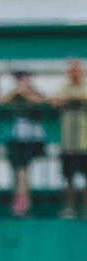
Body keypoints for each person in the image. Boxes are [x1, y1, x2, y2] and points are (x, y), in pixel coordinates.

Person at [3, 71, 47, 218]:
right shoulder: (14, 94)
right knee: (19, 169)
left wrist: (27, 93)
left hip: (33, 137)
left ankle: (23, 201)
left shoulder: (37, 93)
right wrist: (17, 91)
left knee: (24, 168)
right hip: (15, 137)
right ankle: (20, 199)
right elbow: (2, 102)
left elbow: (42, 103)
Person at [51, 58, 87, 219]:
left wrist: (77, 99)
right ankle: (69, 207)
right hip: (68, 142)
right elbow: (54, 101)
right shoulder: (63, 87)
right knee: (68, 178)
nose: (74, 73)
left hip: (85, 141)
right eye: (71, 70)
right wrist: (68, 100)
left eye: (77, 70)